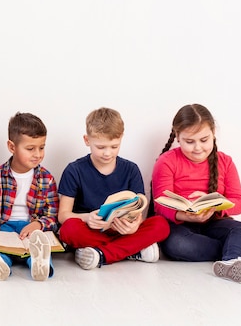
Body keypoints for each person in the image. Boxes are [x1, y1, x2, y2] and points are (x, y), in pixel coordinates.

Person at [152, 103, 241, 283]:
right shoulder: (167, 161)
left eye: (204, 140)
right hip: (180, 227)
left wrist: (215, 207)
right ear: (177, 137)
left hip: (213, 222)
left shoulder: (225, 162)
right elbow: (160, 204)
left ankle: (232, 260)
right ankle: (239, 251)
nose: (198, 148)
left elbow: (239, 202)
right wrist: (186, 215)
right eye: (189, 142)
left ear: (213, 133)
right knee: (178, 246)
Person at [58, 107, 170, 270]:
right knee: (68, 230)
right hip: (91, 231)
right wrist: (88, 218)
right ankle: (132, 250)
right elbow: (63, 215)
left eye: (114, 146)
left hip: (123, 231)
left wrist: (134, 226)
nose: (107, 153)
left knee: (161, 224)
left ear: (121, 138)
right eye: (101, 147)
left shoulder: (131, 169)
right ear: (87, 140)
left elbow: (139, 210)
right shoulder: (74, 170)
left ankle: (101, 254)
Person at [0, 112, 59, 281]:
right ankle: (0, 264)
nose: (38, 154)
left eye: (41, 147)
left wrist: (38, 224)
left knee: (39, 244)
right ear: (12, 147)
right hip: (4, 227)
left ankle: (38, 262)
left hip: (31, 229)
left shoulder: (47, 179)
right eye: (30, 149)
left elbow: (52, 217)